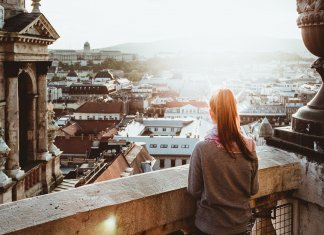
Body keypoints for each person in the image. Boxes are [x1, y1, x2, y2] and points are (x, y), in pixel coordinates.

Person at [188, 88, 259, 235]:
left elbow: (194, 190)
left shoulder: (202, 148)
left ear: (211, 113)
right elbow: (253, 189)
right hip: (239, 227)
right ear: (235, 112)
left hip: (209, 226)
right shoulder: (250, 146)